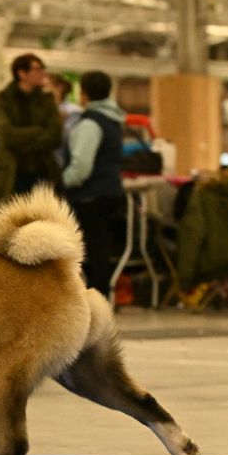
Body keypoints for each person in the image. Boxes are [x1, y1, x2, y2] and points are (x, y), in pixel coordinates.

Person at [62, 71, 126, 297]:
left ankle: (93, 302)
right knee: (101, 251)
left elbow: (81, 167)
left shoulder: (90, 123)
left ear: (84, 94)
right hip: (110, 192)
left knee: (88, 253)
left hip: (88, 196)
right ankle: (101, 301)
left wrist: (60, 184)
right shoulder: (113, 120)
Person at [0, 53, 63, 205]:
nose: (42, 74)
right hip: (10, 173)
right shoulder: (4, 99)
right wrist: (37, 130)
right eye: (38, 69)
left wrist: (21, 140)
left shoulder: (47, 100)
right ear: (22, 73)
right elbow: (7, 134)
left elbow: (55, 136)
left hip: (42, 171)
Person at [46, 72, 82, 167]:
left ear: (59, 88)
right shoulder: (40, 110)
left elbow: (68, 139)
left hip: (59, 165)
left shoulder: (73, 111)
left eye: (45, 86)